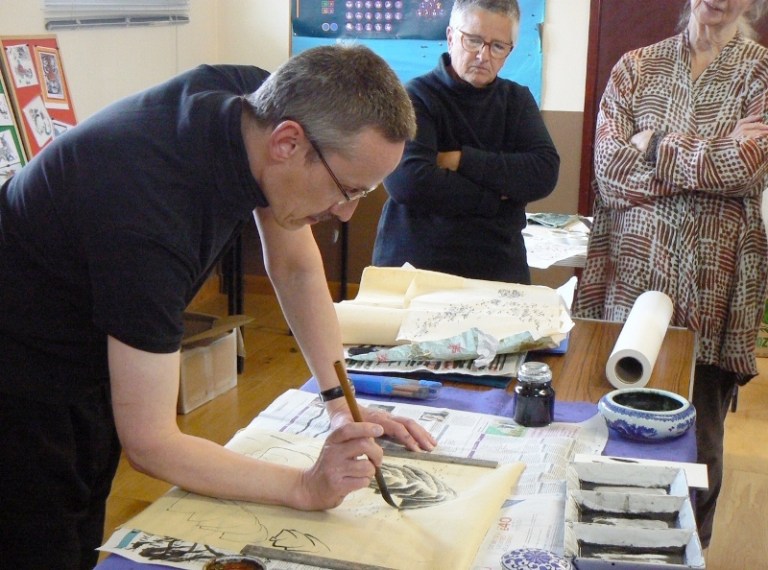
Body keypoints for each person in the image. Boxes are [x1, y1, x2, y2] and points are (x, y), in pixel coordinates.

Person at [0, 44, 437, 569]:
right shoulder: (149, 215)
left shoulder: (258, 102)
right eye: (347, 190)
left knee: (82, 517)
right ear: (288, 142)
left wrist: (341, 403)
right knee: (40, 536)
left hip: (88, 329)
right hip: (24, 365)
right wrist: (304, 486)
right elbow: (152, 444)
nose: (346, 214)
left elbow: (295, 267)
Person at [574, 0, 768, 550]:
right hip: (630, 283)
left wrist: (655, 143)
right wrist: (712, 160)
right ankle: (606, 546)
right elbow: (610, 172)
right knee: (616, 426)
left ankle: (686, 551)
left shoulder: (761, 74)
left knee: (698, 441)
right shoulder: (636, 67)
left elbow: (747, 167)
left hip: (714, 292)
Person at [371, 0, 560, 284]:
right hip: (417, 265)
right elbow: (409, 181)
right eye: (473, 40)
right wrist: (496, 200)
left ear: (509, 52)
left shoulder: (517, 100)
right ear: (450, 37)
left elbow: (543, 173)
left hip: (498, 265)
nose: (483, 55)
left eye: (498, 46)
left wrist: (461, 159)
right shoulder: (416, 97)